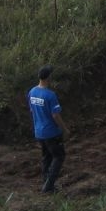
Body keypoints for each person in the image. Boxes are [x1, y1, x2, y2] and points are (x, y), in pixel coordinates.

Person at [28, 65, 68, 194]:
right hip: (51, 132)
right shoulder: (50, 95)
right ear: (49, 77)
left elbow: (32, 110)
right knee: (59, 156)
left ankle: (45, 180)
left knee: (46, 156)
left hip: (39, 132)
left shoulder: (32, 92)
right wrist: (65, 129)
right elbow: (55, 115)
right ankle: (49, 186)